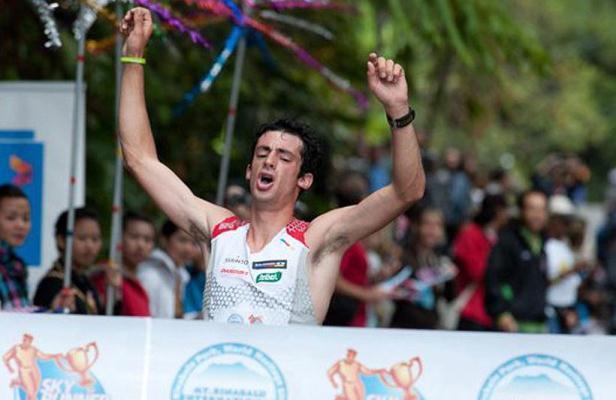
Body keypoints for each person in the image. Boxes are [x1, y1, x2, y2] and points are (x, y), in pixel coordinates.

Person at [118, 8, 424, 325]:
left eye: (284, 156)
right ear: (250, 171)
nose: (269, 159)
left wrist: (398, 110)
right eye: (263, 152)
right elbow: (139, 159)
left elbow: (407, 191)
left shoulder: (317, 239)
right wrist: (133, 58)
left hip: (287, 376)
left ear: (304, 180)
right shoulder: (218, 230)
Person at [323, 171, 390, 327]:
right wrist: (366, 295)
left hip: (355, 318)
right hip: (345, 323)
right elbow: (333, 279)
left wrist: (375, 278)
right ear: (362, 200)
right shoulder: (345, 237)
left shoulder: (344, 231)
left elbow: (352, 275)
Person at [485, 190, 549, 333]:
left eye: (542, 209)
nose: (537, 215)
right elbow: (494, 279)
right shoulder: (507, 242)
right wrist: (502, 312)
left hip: (539, 325)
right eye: (532, 208)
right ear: (521, 211)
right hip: (513, 325)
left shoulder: (544, 243)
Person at [390, 208, 455, 329]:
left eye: (437, 225)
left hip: (430, 327)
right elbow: (396, 290)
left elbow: (449, 297)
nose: (432, 230)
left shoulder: (440, 261)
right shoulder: (403, 255)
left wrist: (450, 278)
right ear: (416, 227)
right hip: (403, 326)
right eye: (427, 224)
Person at [453, 194, 508, 331]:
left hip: (491, 312)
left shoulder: (498, 237)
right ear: (498, 211)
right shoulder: (470, 234)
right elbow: (477, 271)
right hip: (472, 310)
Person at [33, 207, 103, 315]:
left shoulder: (86, 282)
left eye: (95, 239)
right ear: (61, 240)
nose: (90, 246)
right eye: (82, 238)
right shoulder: (52, 285)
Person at [90, 211, 155, 316]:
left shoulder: (137, 280)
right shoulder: (106, 274)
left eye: (147, 240)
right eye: (134, 237)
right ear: (119, 238)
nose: (141, 245)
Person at [137, 219, 193, 318]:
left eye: (193, 243)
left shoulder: (182, 275)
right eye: (182, 240)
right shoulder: (150, 273)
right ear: (164, 240)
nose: (188, 248)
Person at [0, 184, 31, 310]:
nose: (20, 225)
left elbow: (21, 311)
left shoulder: (18, 265)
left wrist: (55, 308)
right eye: (11, 218)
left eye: (26, 218)